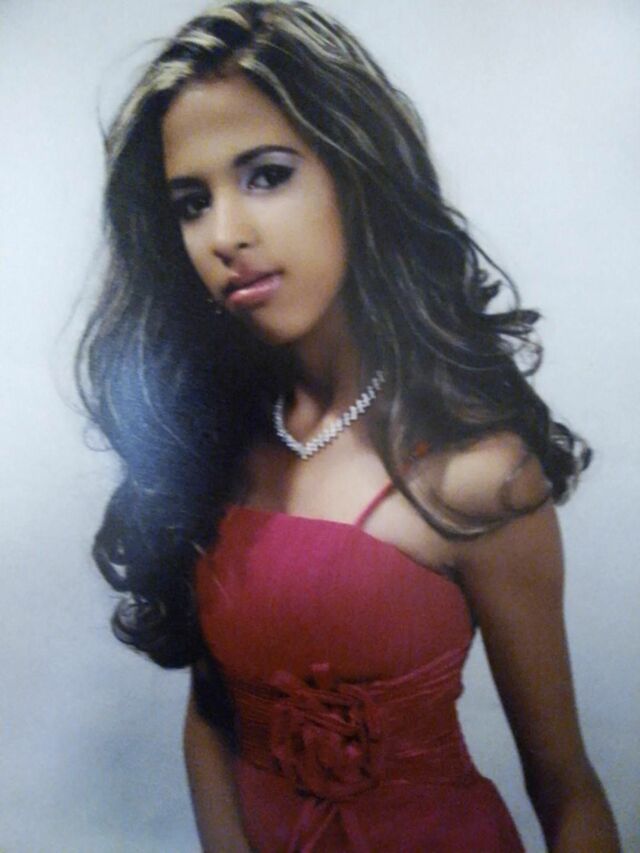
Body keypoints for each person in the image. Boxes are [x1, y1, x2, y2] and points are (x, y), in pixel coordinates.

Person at [78, 1, 620, 850]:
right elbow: (212, 719)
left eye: (266, 175)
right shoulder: (216, 447)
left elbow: (569, 790)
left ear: (354, 176)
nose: (225, 234)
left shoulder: (478, 474)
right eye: (191, 202)